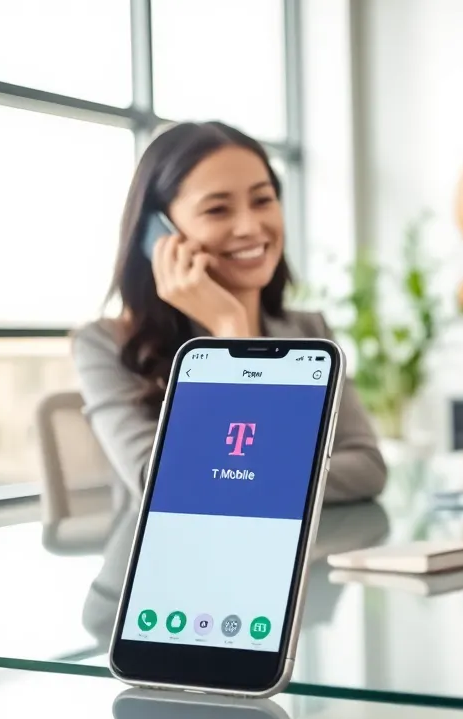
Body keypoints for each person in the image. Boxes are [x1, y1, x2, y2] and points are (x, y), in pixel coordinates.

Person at [72, 121, 386, 634]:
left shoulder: (309, 331)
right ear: (160, 234)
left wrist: (246, 479)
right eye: (217, 209)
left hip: (280, 590)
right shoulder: (106, 345)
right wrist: (229, 332)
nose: (249, 226)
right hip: (158, 603)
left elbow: (368, 466)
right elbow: (166, 485)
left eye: (263, 200)